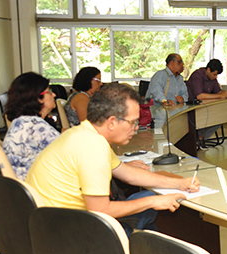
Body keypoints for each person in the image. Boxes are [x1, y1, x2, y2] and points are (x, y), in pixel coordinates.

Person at [26, 83, 199, 236]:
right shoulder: (93, 146)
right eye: (132, 122)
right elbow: (101, 210)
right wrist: (153, 201)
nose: (136, 127)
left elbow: (129, 174)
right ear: (111, 122)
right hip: (69, 234)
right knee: (149, 205)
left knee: (149, 204)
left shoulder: (84, 133)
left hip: (48, 225)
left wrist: (179, 183)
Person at [2, 72, 60, 180]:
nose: (54, 95)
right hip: (35, 186)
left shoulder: (23, 121)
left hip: (21, 186)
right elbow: (68, 153)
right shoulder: (34, 125)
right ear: (38, 98)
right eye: (50, 91)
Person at [186, 58, 227, 147]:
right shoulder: (197, 75)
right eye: (214, 74)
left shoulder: (212, 77)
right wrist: (221, 96)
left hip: (206, 104)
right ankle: (198, 136)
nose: (215, 77)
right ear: (208, 70)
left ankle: (201, 136)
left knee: (221, 116)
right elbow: (199, 96)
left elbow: (218, 91)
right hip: (192, 106)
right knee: (214, 116)